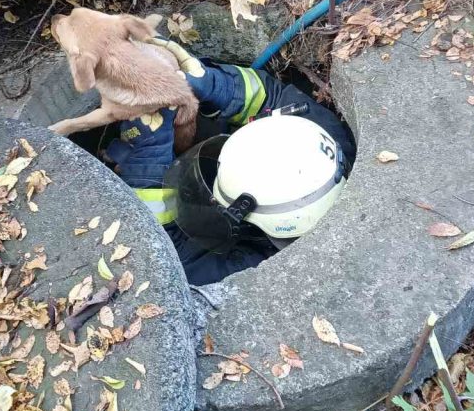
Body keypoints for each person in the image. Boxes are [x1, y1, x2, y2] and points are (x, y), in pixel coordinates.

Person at [105, 40, 356, 286]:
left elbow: (167, 261)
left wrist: (147, 160)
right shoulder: (322, 137)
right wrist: (217, 84)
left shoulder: (255, 269)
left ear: (248, 220)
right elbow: (273, 96)